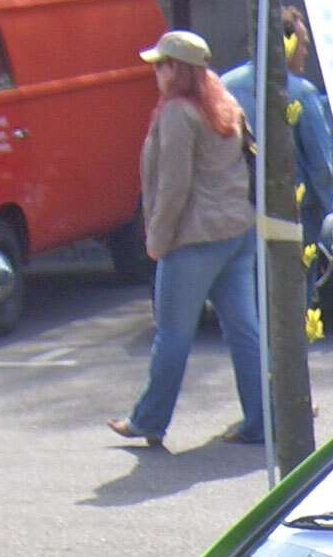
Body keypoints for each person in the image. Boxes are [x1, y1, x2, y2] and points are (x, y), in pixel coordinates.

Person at [110, 30, 264, 450]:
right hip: (236, 232)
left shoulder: (179, 113)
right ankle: (262, 419)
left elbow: (174, 186)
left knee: (173, 335)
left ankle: (149, 420)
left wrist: (157, 240)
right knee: (243, 330)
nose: (156, 72)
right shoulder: (226, 104)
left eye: (162, 65)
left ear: (179, 70)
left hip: (193, 239)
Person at [221, 4, 333, 242]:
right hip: (294, 214)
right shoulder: (301, 92)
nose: (305, 52)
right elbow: (320, 166)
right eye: (303, 44)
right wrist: (330, 213)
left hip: (237, 212)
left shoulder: (224, 86)